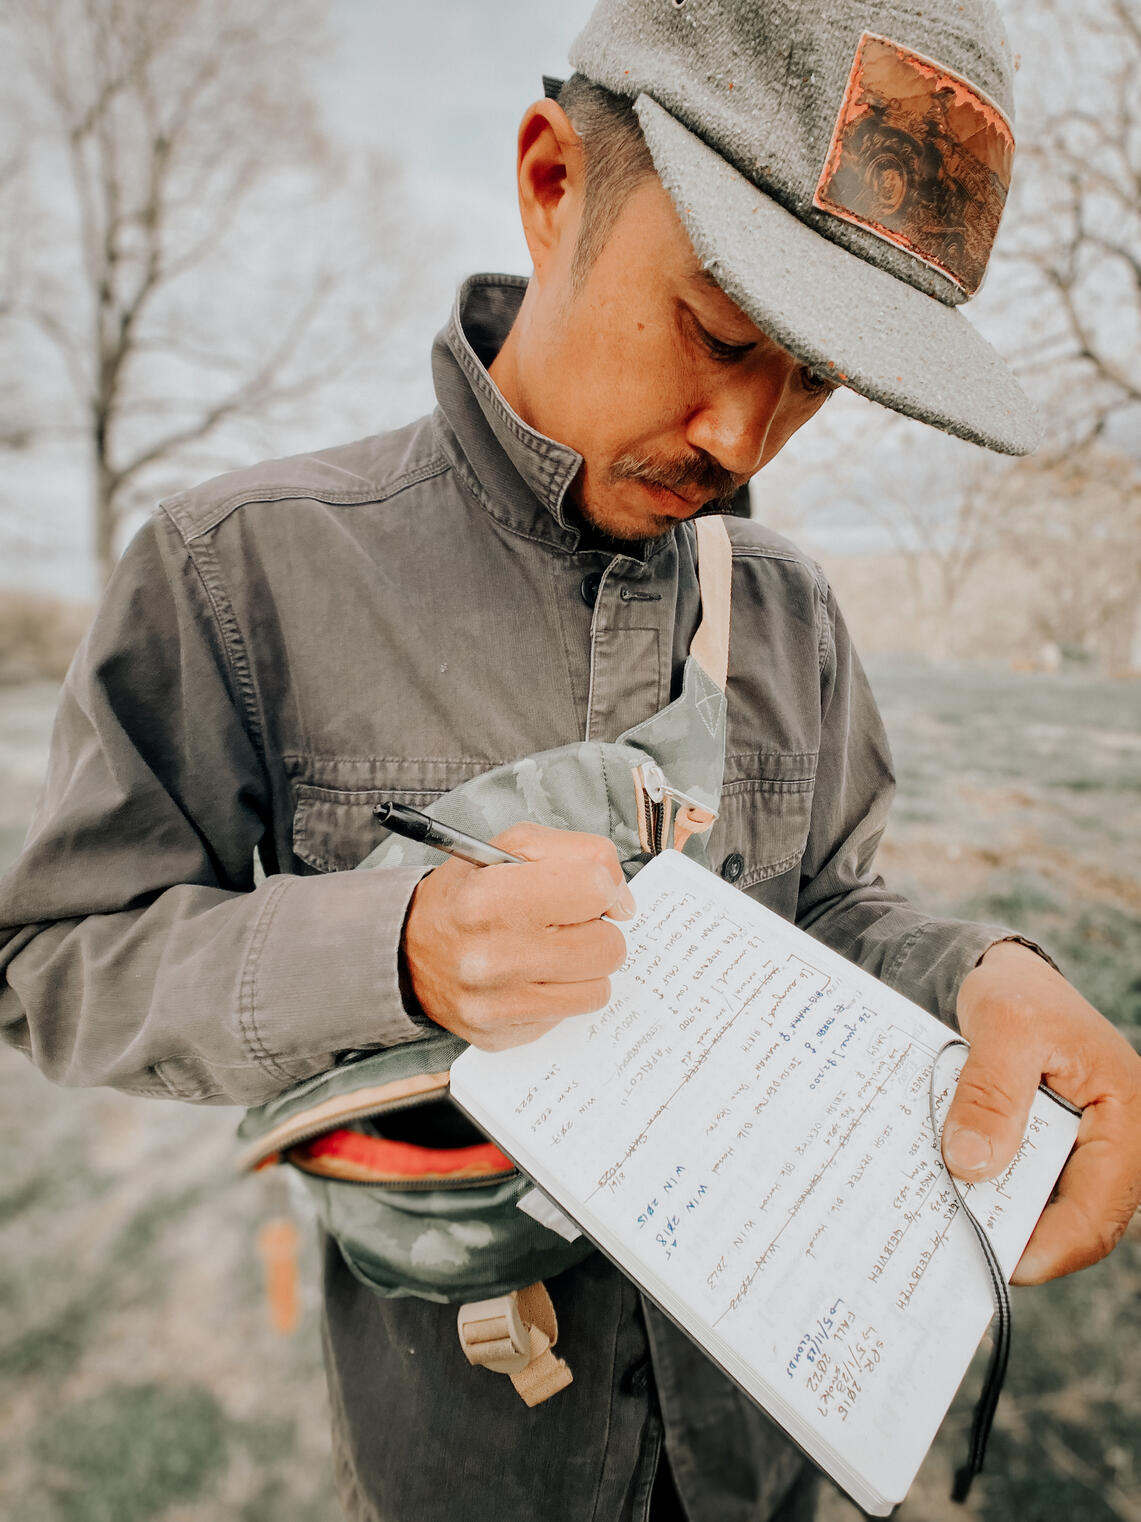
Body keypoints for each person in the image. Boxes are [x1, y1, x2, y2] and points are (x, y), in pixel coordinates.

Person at [2, 1, 1139, 1519]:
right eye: (718, 330)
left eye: (815, 378)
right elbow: (56, 961)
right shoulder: (241, 568)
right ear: (552, 183)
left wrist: (976, 975)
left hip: (761, 1449)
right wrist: (396, 948)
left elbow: (825, 907)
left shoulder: (786, 612)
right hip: (462, 1459)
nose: (744, 434)